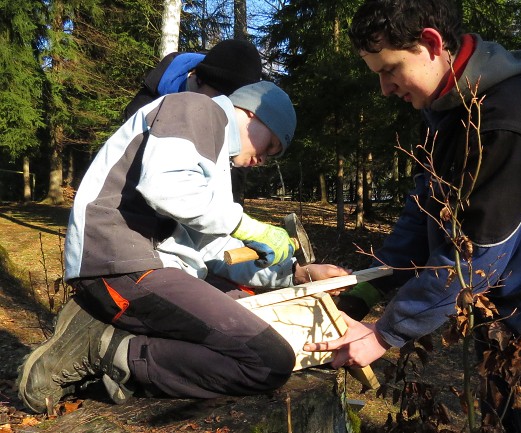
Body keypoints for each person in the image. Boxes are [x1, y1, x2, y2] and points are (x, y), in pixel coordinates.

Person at [307, 1, 521, 432]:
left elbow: (477, 254)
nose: (385, 88)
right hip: (510, 320)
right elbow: (420, 217)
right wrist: (363, 292)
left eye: (389, 69)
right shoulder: (447, 113)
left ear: (430, 43)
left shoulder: (505, 120)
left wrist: (383, 334)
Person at [17, 80, 351, 414]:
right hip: (121, 260)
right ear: (253, 114)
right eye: (271, 146)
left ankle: (106, 330)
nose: (263, 159)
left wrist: (295, 274)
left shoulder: (214, 152)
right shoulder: (196, 109)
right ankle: (105, 348)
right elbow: (164, 186)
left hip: (146, 265)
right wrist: (247, 225)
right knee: (268, 362)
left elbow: (212, 246)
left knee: (244, 308)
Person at [124, 39, 264, 204]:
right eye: (219, 100)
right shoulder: (147, 103)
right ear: (199, 79)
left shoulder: (231, 114)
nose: (219, 111)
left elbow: (231, 176)